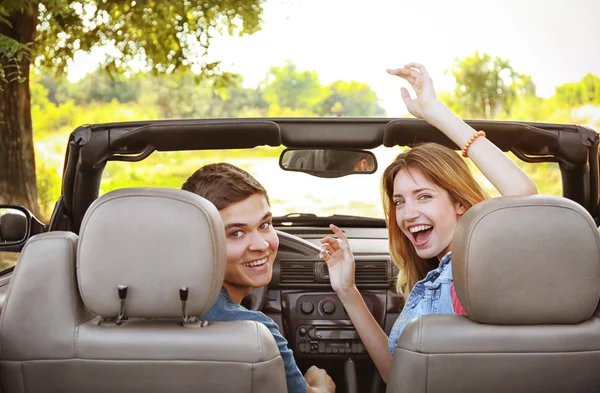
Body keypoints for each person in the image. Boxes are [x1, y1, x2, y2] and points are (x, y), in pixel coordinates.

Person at [319, 63, 538, 383]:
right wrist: (348, 291)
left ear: (460, 202)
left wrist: (434, 111)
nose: (407, 215)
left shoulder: (480, 266)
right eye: (399, 202)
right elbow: (400, 375)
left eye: (423, 197)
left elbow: (522, 196)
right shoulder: (434, 282)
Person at [182, 163, 336, 393]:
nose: (262, 245)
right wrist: (321, 384)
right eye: (236, 233)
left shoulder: (124, 321)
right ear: (200, 243)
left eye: (264, 225)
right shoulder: (255, 332)